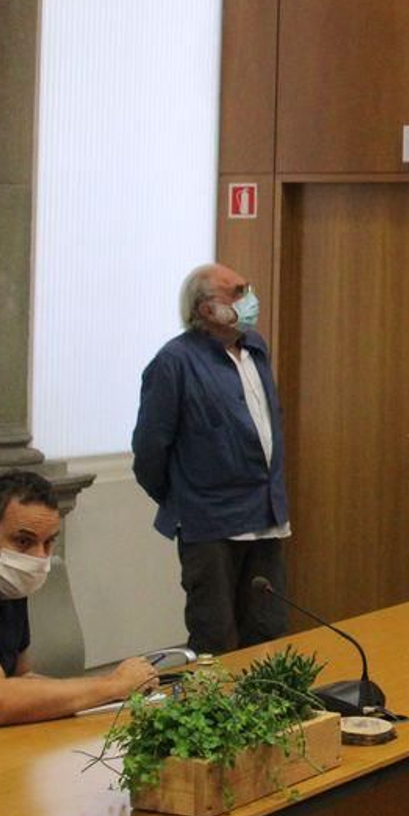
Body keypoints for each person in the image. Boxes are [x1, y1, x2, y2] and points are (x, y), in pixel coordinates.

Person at [0, 471, 158, 740]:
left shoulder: (4, 577)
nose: (39, 557)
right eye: (23, 541)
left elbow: (21, 678)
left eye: (49, 542)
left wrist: (108, 697)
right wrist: (112, 686)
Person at [132, 263, 289, 654]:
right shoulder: (174, 361)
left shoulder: (255, 349)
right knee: (215, 637)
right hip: (210, 522)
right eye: (237, 292)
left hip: (267, 514)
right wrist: (184, 498)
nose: (249, 299)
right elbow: (149, 450)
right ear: (206, 309)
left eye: (247, 288)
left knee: (268, 631)